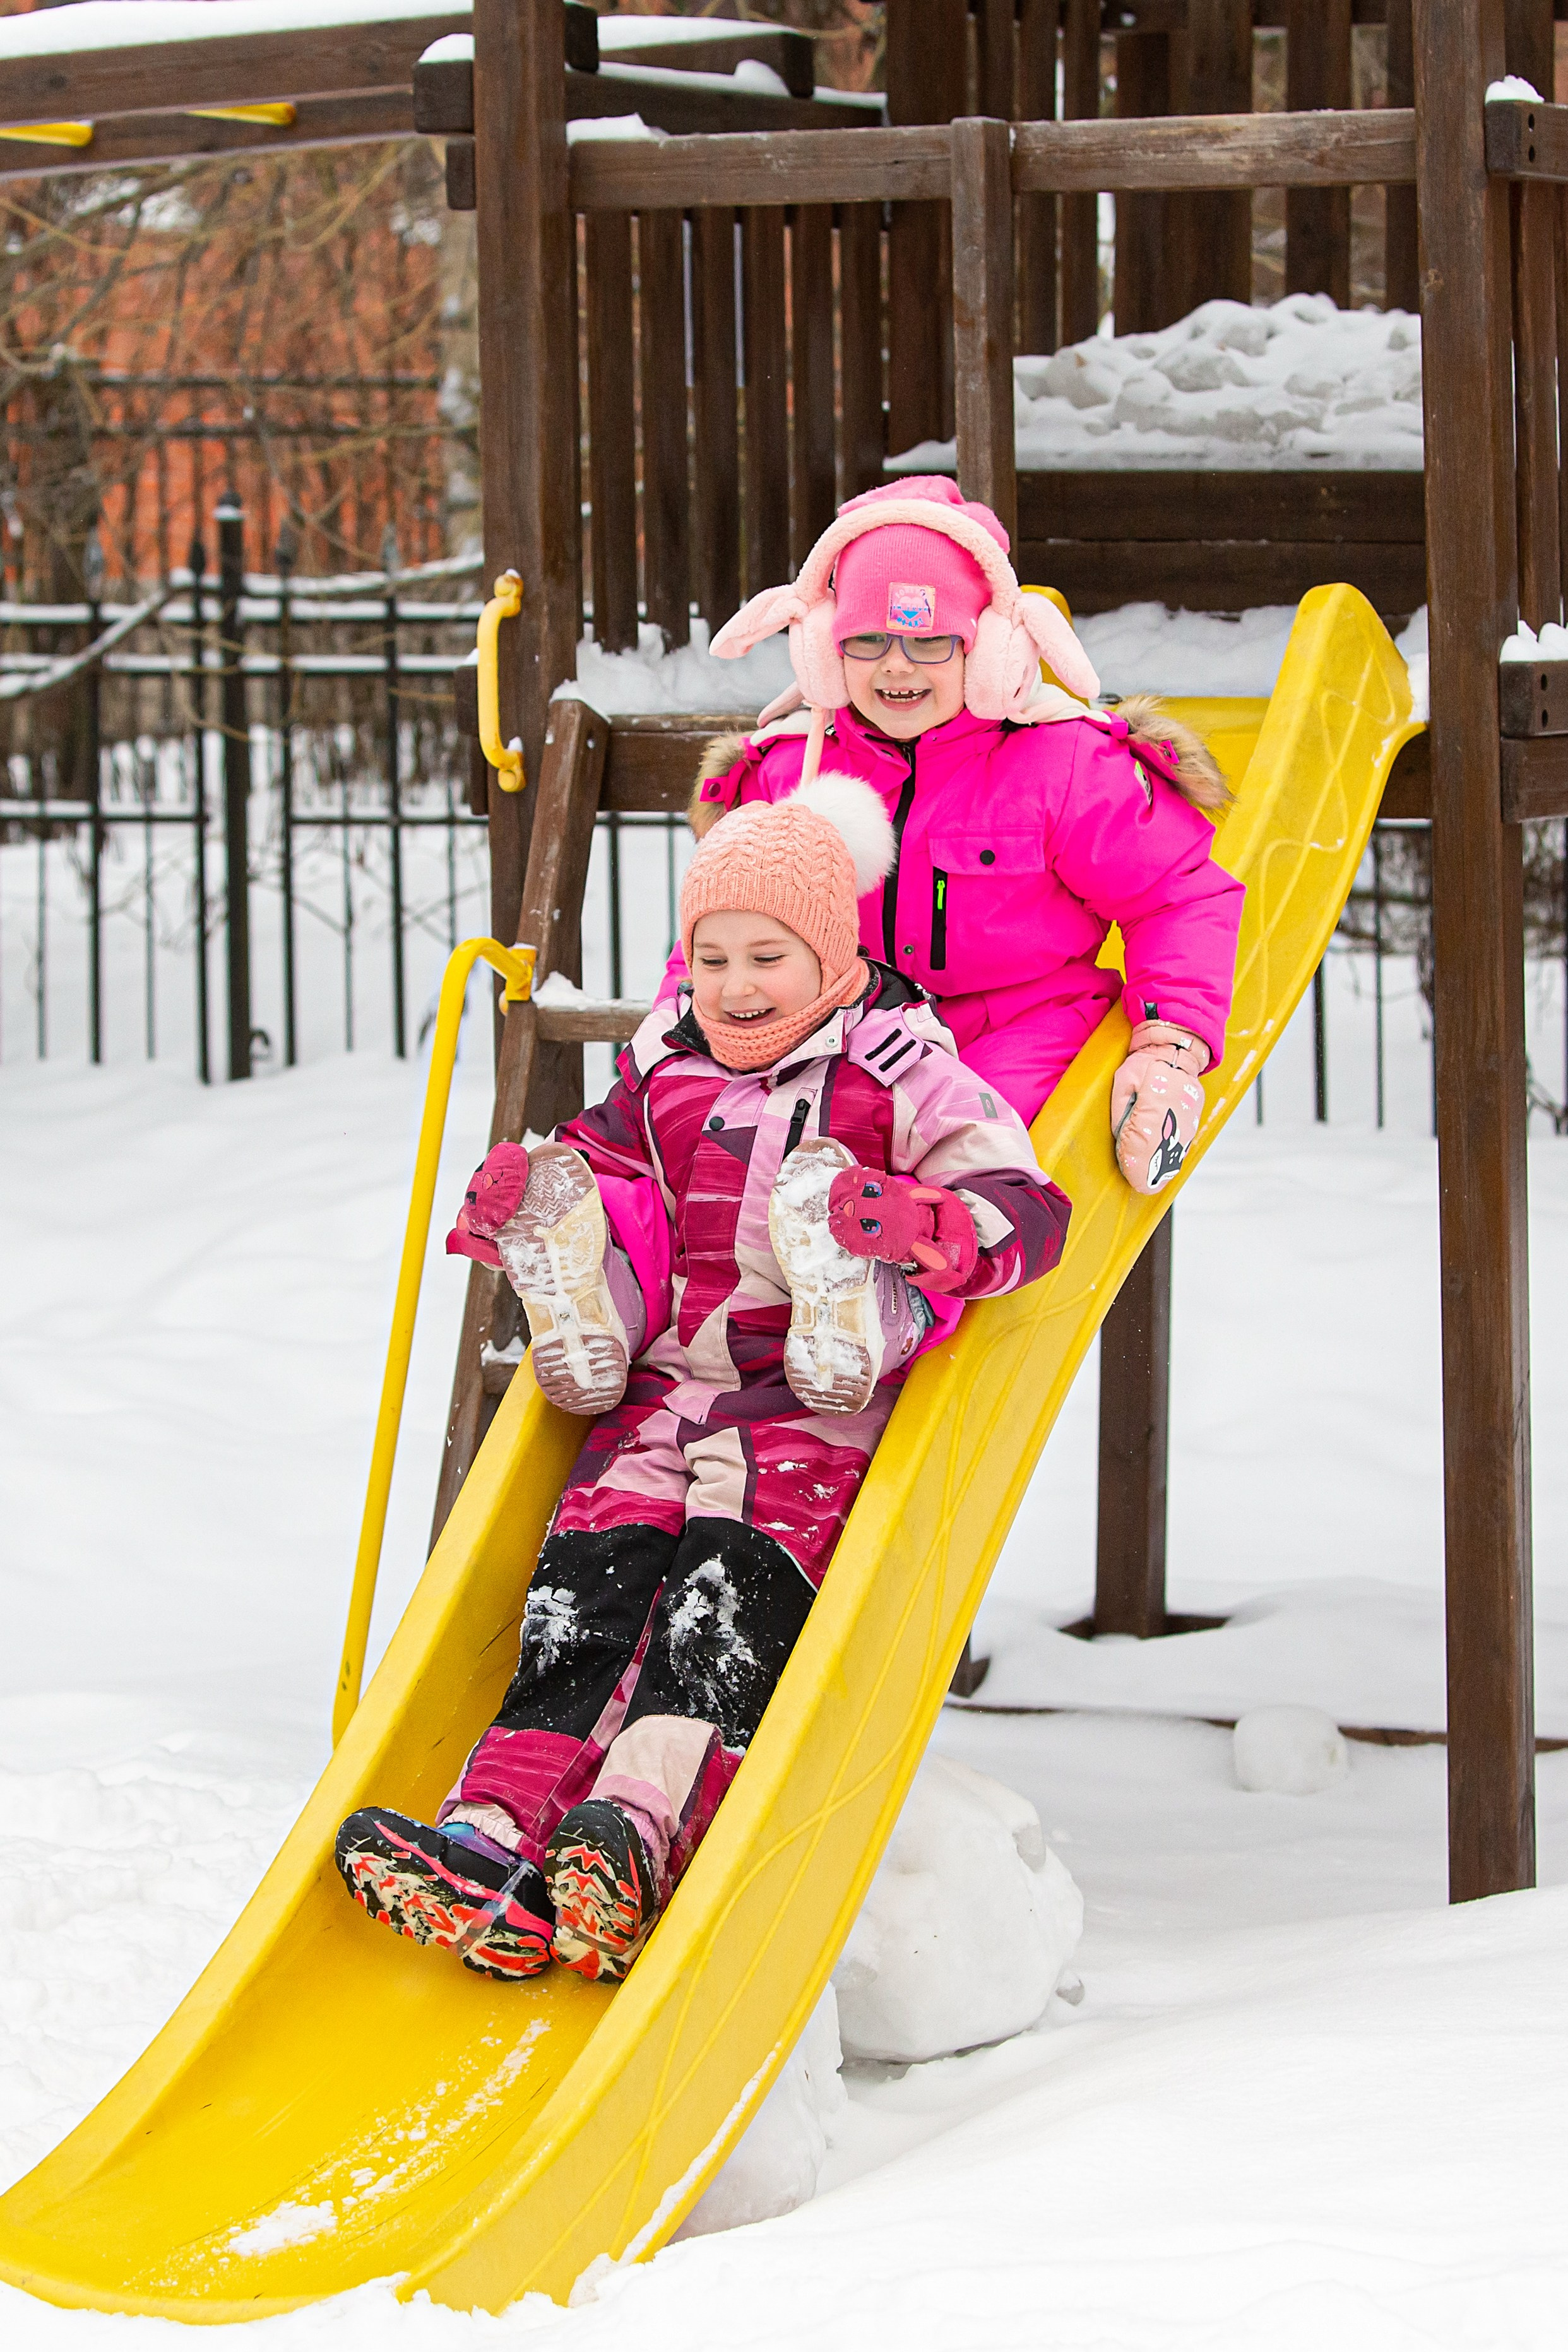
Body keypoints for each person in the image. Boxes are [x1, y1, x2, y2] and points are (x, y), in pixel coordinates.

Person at [335, 776, 1070, 1987]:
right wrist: (539, 1200)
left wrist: (916, 1217)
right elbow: (603, 1154)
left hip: (809, 1417)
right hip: (661, 1389)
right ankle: (491, 1843)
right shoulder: (666, 1069)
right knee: (578, 1606)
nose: (733, 985)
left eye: (765, 956)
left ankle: (625, 1834)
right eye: (709, 955)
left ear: (830, 951)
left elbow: (1023, 1212)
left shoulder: (902, 1067)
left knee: (715, 1616)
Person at [691, 475, 1246, 1196]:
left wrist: (1167, 1045)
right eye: (868, 640)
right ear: (827, 651)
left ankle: (905, 1292)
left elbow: (1175, 897)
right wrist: (681, 1040)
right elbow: (722, 920)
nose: (896, 665)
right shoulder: (797, 768)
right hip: (843, 1031)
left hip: (1022, 1024)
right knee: (734, 1163)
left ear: (986, 652)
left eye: (929, 641)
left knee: (962, 1161)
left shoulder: (1065, 763)